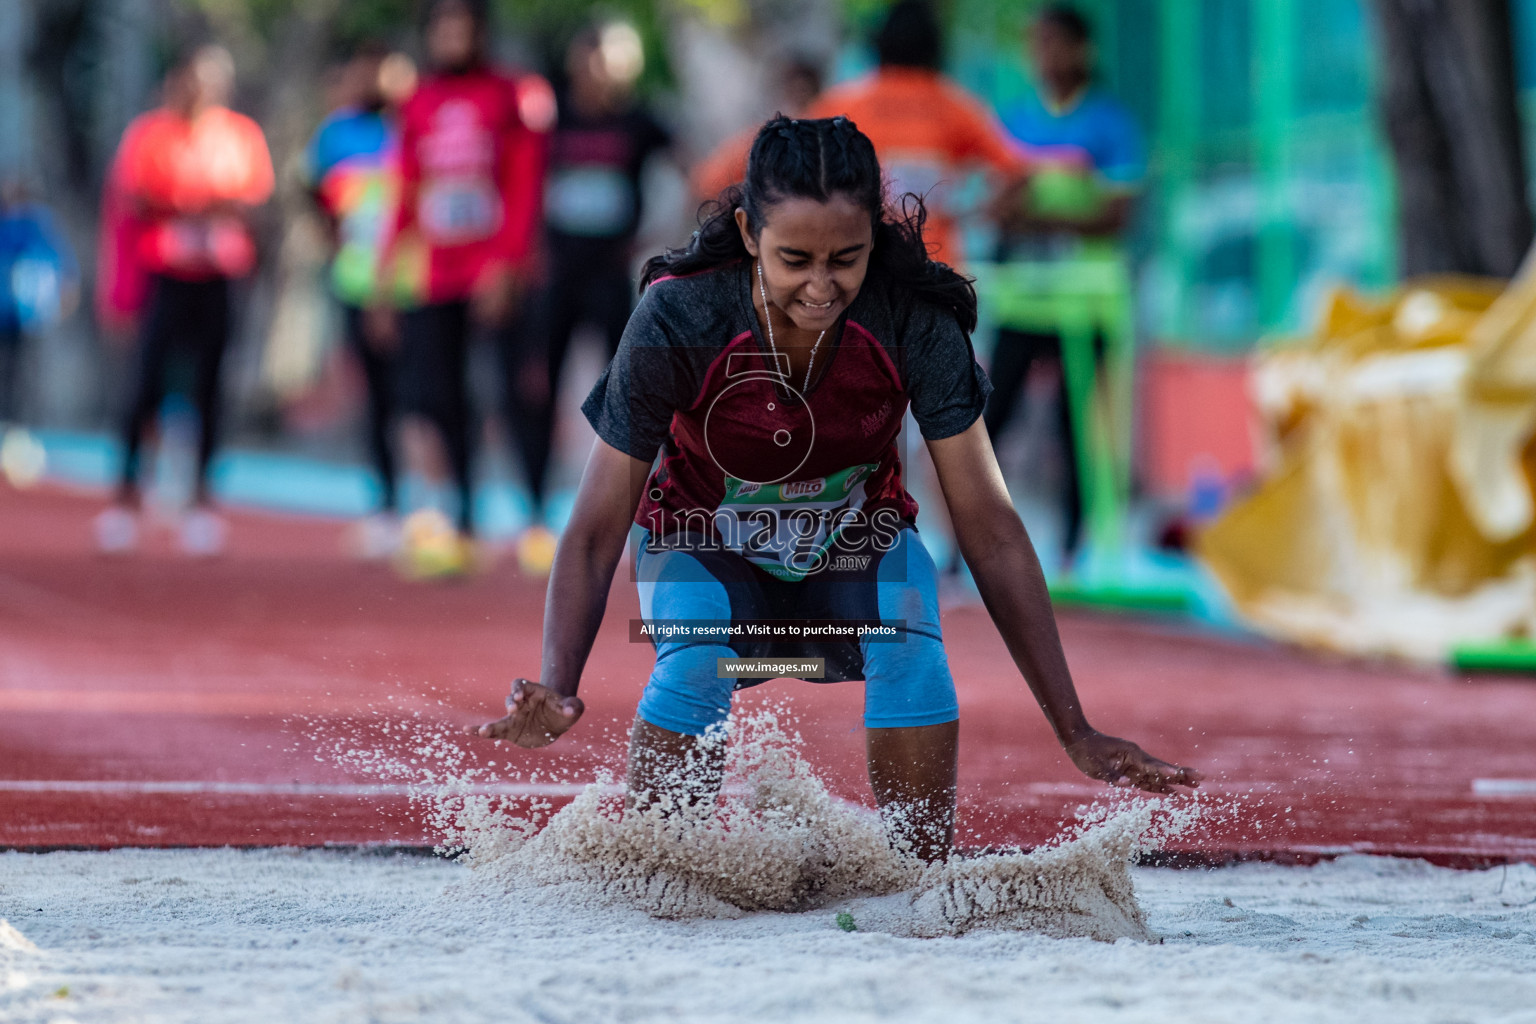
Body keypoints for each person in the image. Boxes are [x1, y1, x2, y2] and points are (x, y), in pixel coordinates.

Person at [467, 116, 1198, 863]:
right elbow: (594, 527)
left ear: (872, 242)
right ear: (749, 232)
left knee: (911, 645)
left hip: (857, 549)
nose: (821, 288)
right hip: (702, 546)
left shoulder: (913, 318)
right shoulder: (679, 315)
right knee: (696, 663)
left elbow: (991, 524)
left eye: (845, 259)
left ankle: (914, 880)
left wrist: (1074, 727)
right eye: (795, 260)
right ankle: (657, 871)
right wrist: (559, 682)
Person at [372, 0, 547, 574]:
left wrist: (508, 264)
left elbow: (523, 183)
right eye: (442, 28)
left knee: (513, 390)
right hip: (435, 274)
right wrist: (385, 272)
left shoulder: (509, 95)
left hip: (493, 271)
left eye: (462, 28)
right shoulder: (418, 101)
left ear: (479, 33)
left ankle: (535, 519)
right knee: (439, 395)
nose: (452, 38)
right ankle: (463, 517)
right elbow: (405, 187)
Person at [505, 20, 672, 573]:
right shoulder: (548, 118)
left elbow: (699, 170)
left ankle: (633, 520)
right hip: (551, 276)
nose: (604, 72)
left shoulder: (639, 120)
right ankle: (533, 513)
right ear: (578, 62)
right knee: (535, 389)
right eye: (596, 59)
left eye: (617, 61)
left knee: (626, 397)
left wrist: (655, 239)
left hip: (609, 278)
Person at [983, 4, 1146, 571]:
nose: (1043, 57)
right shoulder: (1016, 121)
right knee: (988, 421)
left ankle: (1076, 551)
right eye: (1036, 45)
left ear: (1082, 50)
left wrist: (1041, 216)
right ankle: (969, 550)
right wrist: (1015, 205)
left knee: (1076, 427)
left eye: (1054, 44)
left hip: (1087, 302)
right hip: (1026, 298)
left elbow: (1119, 214)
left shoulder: (1110, 123)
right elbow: (996, 202)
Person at [95, 44, 274, 555]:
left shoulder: (241, 137)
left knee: (211, 386)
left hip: (219, 276)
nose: (202, 90)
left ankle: (202, 499)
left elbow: (250, 203)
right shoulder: (150, 134)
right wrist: (200, 205)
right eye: (194, 79)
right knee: (145, 385)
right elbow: (137, 199)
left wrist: (191, 206)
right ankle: (127, 495)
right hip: (164, 274)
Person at [804, 0, 1028, 268]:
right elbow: (1016, 171)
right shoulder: (954, 104)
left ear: (879, 42)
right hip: (934, 265)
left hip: (858, 264)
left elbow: (793, 163)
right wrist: (973, 215)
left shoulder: (842, 104)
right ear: (936, 45)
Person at [304, 43, 414, 558]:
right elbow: (311, 193)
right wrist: (335, 242)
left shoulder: (419, 126)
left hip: (418, 286)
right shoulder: (336, 133)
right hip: (356, 282)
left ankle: (446, 509)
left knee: (428, 394)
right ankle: (389, 505)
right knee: (377, 398)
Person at [690, 54, 824, 203]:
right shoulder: (766, 139)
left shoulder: (769, 137)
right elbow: (707, 181)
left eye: (802, 91)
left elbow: (705, 182)